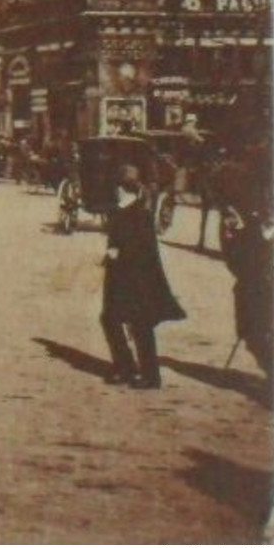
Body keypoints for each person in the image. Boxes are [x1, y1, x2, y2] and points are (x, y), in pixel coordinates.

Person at [100, 164, 186, 389]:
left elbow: (143, 249)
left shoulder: (140, 214)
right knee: (109, 319)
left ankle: (150, 375)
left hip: (137, 279)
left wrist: (118, 252)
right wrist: (112, 252)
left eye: (117, 187)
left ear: (123, 189)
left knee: (140, 324)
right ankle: (125, 366)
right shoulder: (118, 211)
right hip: (118, 277)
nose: (115, 192)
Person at [227, 198, 274, 386]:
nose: (270, 213)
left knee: (268, 334)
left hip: (270, 293)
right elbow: (236, 258)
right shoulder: (252, 229)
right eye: (268, 209)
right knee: (249, 335)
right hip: (249, 291)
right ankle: (271, 371)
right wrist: (231, 233)